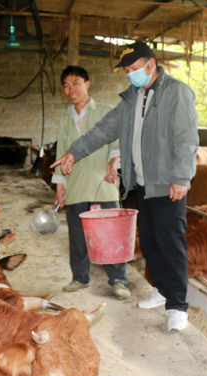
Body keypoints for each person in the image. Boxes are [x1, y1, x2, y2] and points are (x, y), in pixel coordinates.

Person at [51, 42, 198, 332]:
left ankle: (178, 306)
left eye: (134, 69)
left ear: (150, 64)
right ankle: (161, 291)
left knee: (171, 243)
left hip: (167, 183)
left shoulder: (175, 92)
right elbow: (103, 130)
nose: (130, 75)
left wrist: (182, 177)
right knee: (152, 242)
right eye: (127, 70)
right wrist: (73, 152)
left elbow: (186, 137)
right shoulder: (132, 98)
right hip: (141, 183)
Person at [53, 65, 130, 300]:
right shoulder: (65, 119)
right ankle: (79, 277)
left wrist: (113, 163)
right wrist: (60, 186)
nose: (70, 89)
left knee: (110, 235)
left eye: (75, 83)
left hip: (102, 184)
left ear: (87, 84)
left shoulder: (106, 111)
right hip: (76, 185)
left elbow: (116, 142)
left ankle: (118, 281)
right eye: (66, 85)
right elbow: (61, 151)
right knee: (77, 236)